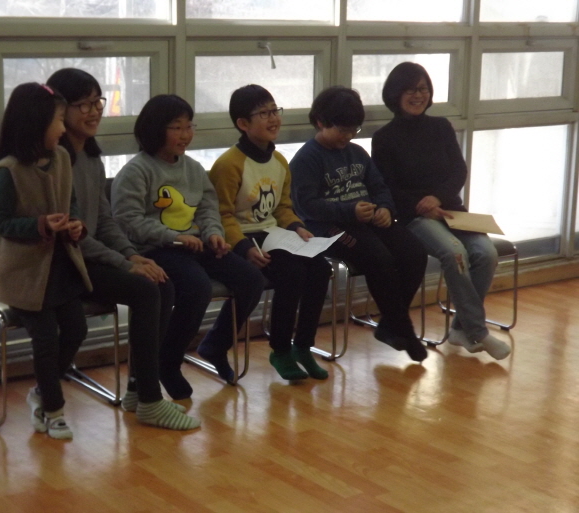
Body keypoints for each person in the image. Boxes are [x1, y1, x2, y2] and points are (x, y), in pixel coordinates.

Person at [46, 68, 200, 430]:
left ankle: (137, 389)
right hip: (64, 264)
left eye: (97, 102)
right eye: (84, 105)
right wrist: (124, 263)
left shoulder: (91, 159)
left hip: (90, 257)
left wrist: (131, 254)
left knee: (162, 283)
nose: (94, 111)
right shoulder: (55, 162)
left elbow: (104, 220)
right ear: (60, 110)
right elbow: (73, 234)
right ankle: (150, 401)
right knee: (146, 289)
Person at [111, 94, 265, 399]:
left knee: (251, 279)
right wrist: (175, 237)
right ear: (156, 130)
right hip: (155, 249)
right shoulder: (136, 171)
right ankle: (168, 362)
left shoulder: (193, 168)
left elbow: (208, 209)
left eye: (189, 126)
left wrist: (214, 234)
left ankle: (216, 345)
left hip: (194, 243)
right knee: (196, 288)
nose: (185, 134)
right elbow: (128, 222)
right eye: (177, 127)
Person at [372, 62, 510, 360]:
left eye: (423, 89)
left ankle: (460, 328)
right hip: (414, 216)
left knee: (486, 254)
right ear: (395, 94)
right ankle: (479, 332)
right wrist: (422, 205)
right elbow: (387, 187)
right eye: (410, 90)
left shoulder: (441, 127)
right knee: (454, 252)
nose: (418, 95)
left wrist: (437, 198)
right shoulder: (384, 137)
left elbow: (459, 171)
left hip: (450, 209)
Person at [0, 82, 91, 439]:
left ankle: (41, 392)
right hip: (20, 273)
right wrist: (39, 225)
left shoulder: (62, 159)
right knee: (45, 337)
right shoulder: (8, 171)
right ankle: (54, 410)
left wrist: (74, 225)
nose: (63, 128)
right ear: (35, 124)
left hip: (57, 267)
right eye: (58, 120)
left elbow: (71, 205)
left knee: (77, 329)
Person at [289, 86, 429, 362]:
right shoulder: (307, 158)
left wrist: (385, 209)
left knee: (414, 252)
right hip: (328, 228)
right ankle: (405, 330)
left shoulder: (357, 153)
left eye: (354, 130)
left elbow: (379, 186)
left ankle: (390, 325)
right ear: (320, 122)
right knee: (379, 258)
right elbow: (307, 206)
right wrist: (349, 211)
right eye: (342, 130)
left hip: (365, 219)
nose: (348, 136)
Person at [209, 84, 332, 380]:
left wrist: (298, 228)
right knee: (292, 273)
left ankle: (303, 346)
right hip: (243, 237)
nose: (273, 118)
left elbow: (283, 208)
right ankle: (280, 350)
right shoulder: (229, 164)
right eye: (264, 113)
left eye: (274, 110)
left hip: (273, 234)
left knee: (320, 269)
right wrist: (243, 248)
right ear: (243, 123)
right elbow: (221, 214)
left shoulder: (279, 162)